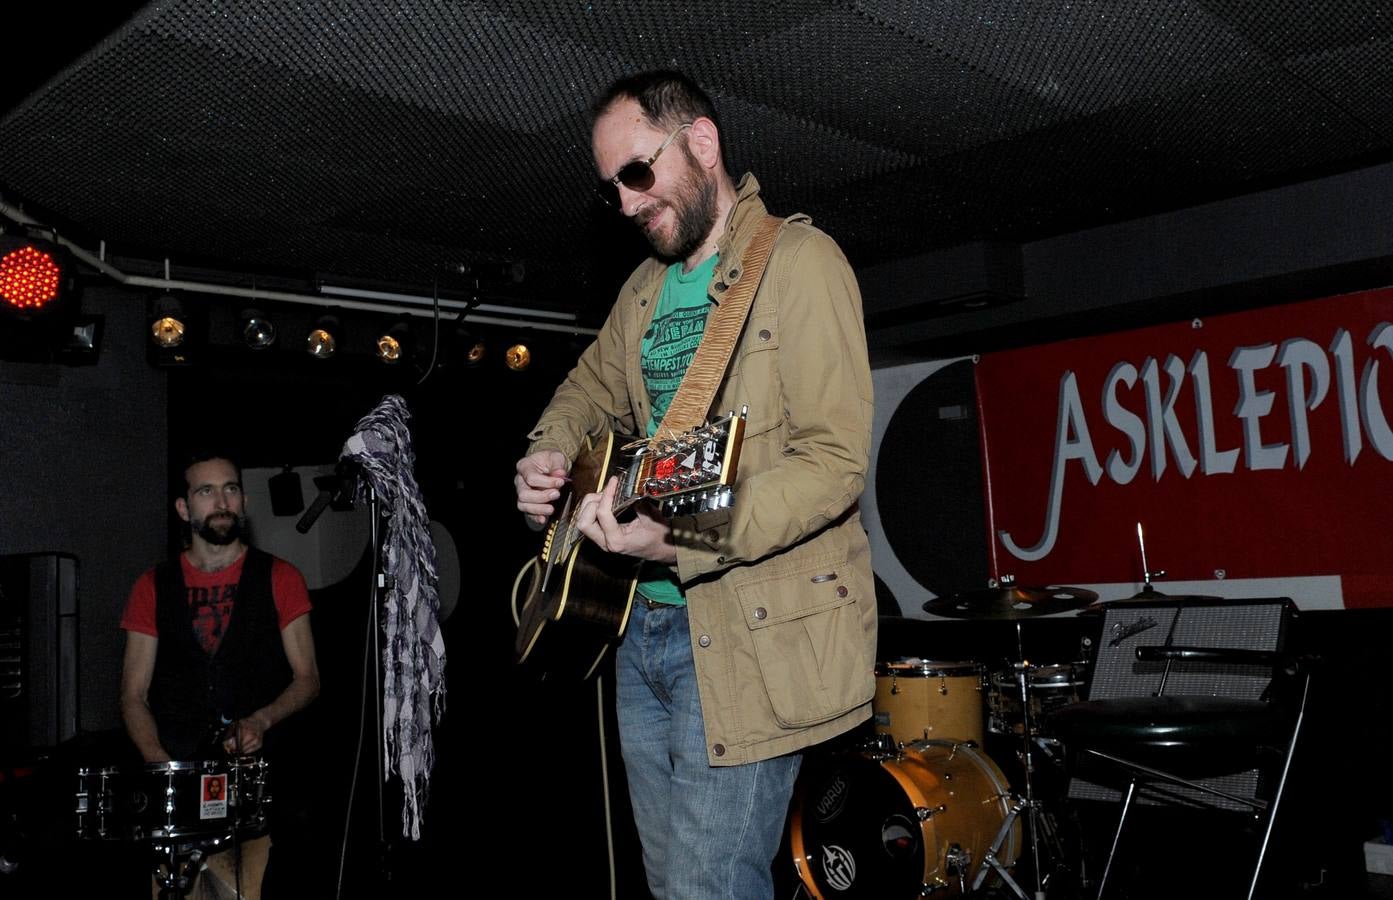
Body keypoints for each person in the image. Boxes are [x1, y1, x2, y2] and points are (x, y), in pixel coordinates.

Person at [513, 69, 877, 898]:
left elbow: (833, 463)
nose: (626, 202)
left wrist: (680, 537)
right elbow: (586, 390)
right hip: (637, 630)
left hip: (745, 631)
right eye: (610, 188)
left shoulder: (800, 263)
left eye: (637, 172)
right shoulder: (642, 290)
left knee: (705, 889)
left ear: (701, 143)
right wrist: (547, 451)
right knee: (671, 884)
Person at [120, 449, 321, 895]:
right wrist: (161, 766)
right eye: (206, 491)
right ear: (183, 507)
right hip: (179, 791)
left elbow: (308, 678)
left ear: (243, 501)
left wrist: (262, 720)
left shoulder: (281, 577)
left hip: (259, 791)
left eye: (230, 489)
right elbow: (133, 694)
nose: (222, 501)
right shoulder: (151, 586)